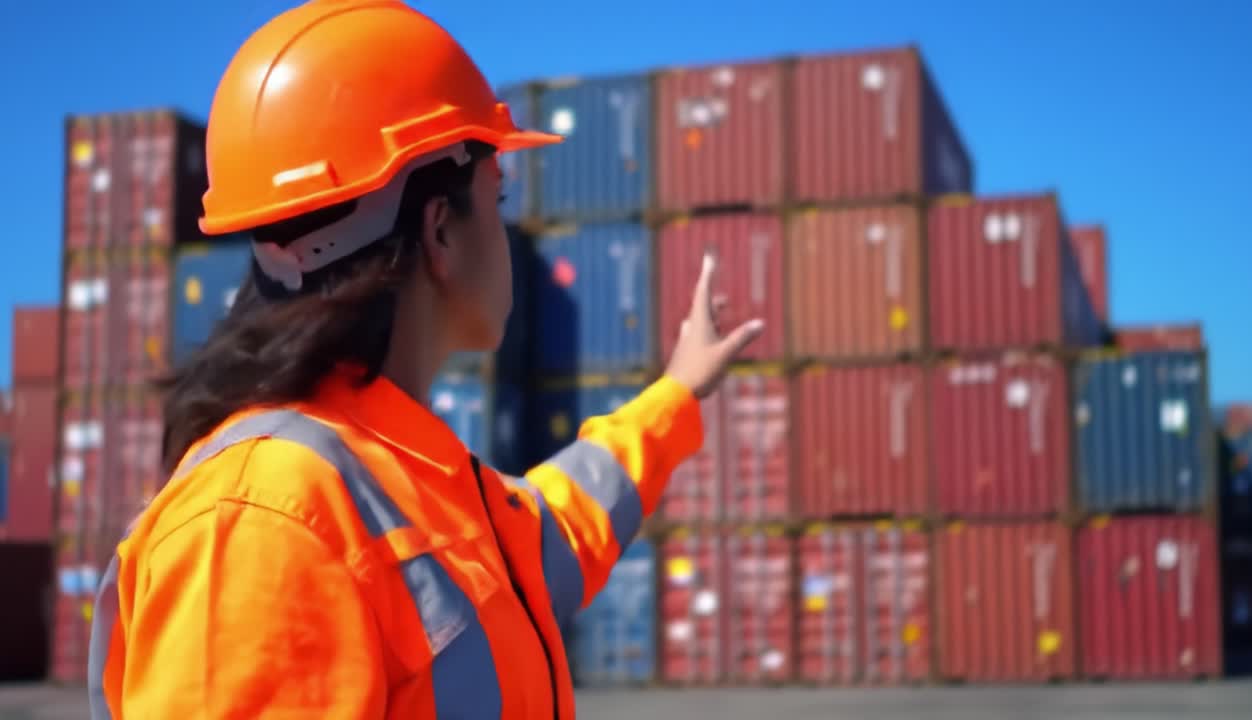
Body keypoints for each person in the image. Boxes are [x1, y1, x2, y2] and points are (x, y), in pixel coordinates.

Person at [86, 1, 763, 718]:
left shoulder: (416, 487)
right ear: (440, 229)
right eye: (496, 196)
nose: (509, 232)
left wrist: (679, 391)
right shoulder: (263, 523)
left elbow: (559, 528)